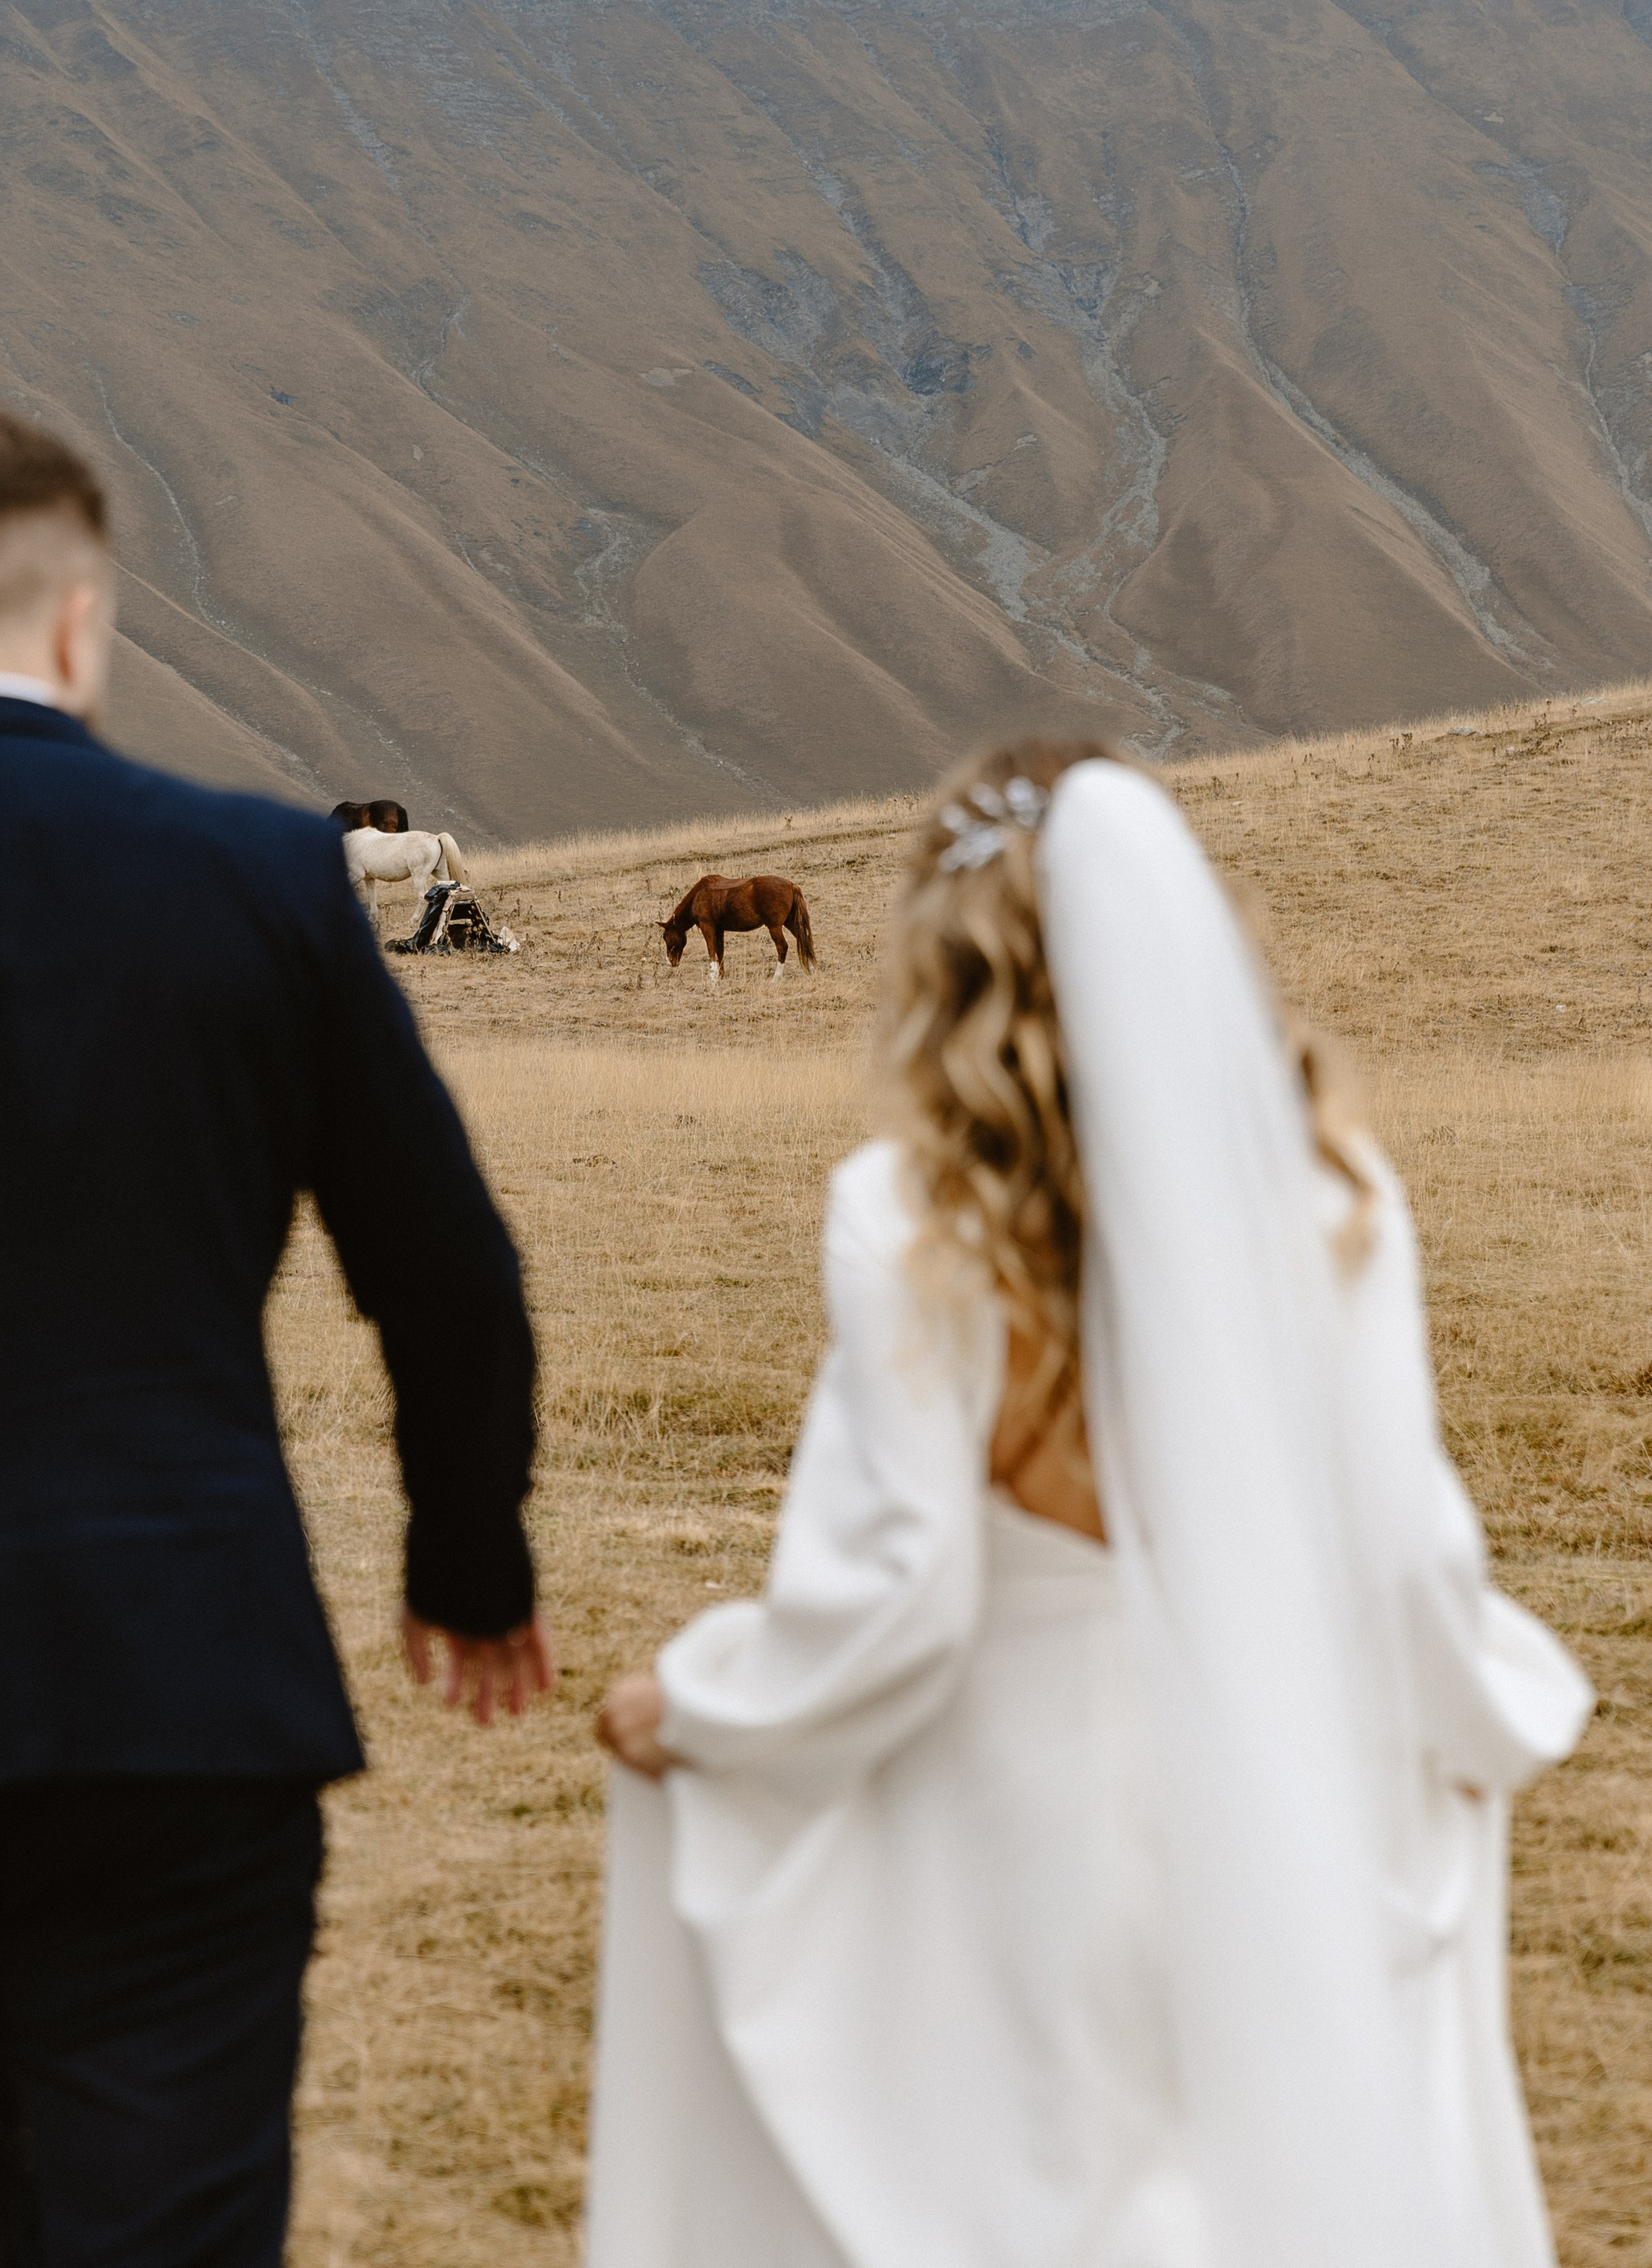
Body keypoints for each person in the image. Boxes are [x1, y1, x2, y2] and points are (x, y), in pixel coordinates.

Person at [588, 741, 1590, 2268]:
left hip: (1006, 1833)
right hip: (1268, 1793)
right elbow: (1398, 1554)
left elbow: (895, 1592)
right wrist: (1483, 1713)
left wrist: (701, 1708)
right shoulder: (1336, 1209)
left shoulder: (908, 1214)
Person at [0, 409, 550, 2268]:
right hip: (183, 1673)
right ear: (82, 623)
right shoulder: (261, 881)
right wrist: (468, 1562)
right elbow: (441, 1266)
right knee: (177, 2219)